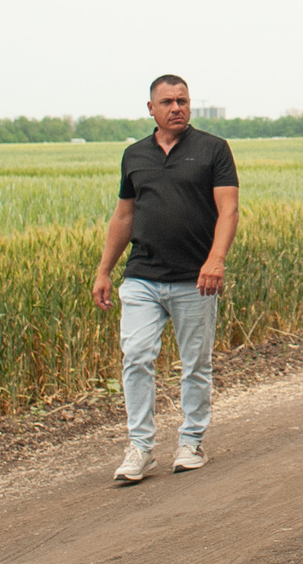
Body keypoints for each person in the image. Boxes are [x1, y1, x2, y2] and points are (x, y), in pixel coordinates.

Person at [94, 74, 240, 484]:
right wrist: (104, 270)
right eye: (168, 102)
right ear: (151, 109)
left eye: (183, 100)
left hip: (195, 280)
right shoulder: (134, 155)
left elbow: (228, 210)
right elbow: (124, 215)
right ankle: (140, 448)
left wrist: (216, 260)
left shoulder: (213, 150)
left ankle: (191, 441)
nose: (177, 108)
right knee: (136, 355)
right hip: (142, 275)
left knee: (195, 364)